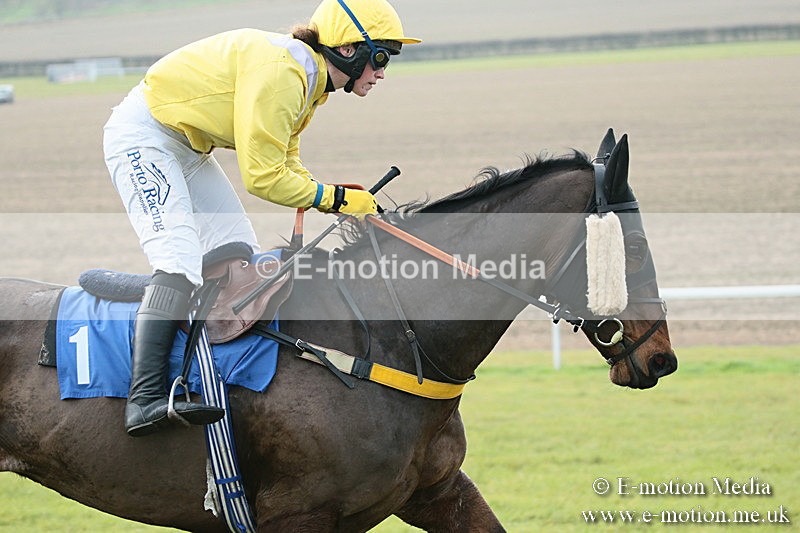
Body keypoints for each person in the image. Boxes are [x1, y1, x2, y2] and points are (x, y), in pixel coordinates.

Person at [102, 0, 420, 437]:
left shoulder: (310, 79)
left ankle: (203, 368)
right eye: (382, 57)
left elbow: (287, 161)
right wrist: (338, 201)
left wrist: (339, 197)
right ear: (350, 51)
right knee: (176, 257)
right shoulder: (285, 75)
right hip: (145, 136)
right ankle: (145, 399)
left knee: (235, 253)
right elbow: (263, 178)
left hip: (188, 147)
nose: (383, 71)